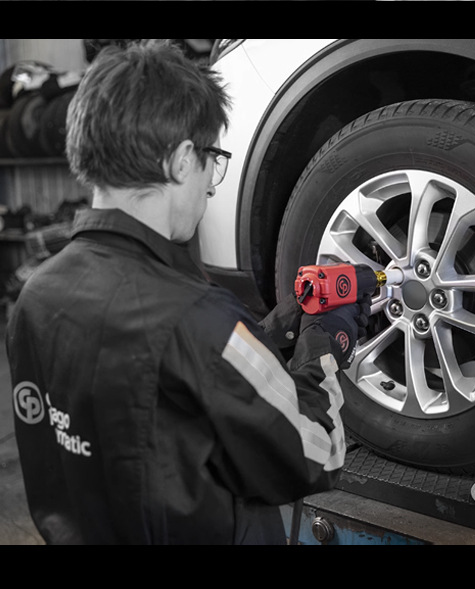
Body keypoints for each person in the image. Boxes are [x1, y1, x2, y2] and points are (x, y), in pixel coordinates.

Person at [6, 40, 369, 545]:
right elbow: (317, 454)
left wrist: (258, 339)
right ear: (180, 161)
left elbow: (157, 401)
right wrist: (321, 348)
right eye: (211, 160)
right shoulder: (199, 321)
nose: (212, 185)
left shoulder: (36, 297)